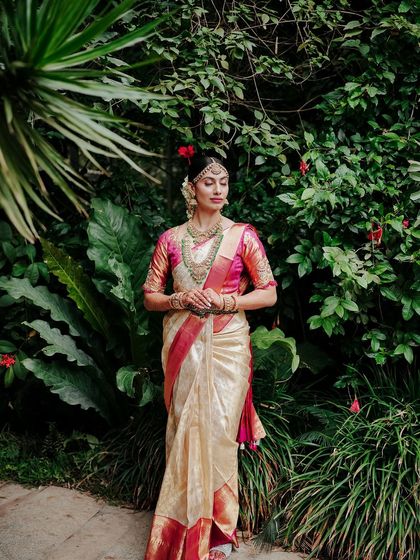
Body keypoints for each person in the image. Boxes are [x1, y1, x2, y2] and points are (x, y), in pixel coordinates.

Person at [142, 149, 277, 560]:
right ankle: (179, 527)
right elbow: (150, 297)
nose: (218, 190)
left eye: (223, 182)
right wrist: (178, 298)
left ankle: (219, 533)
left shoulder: (242, 237)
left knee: (218, 434)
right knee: (183, 430)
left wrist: (227, 302)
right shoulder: (170, 239)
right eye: (208, 182)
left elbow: (268, 292)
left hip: (227, 347)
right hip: (183, 347)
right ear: (191, 187)